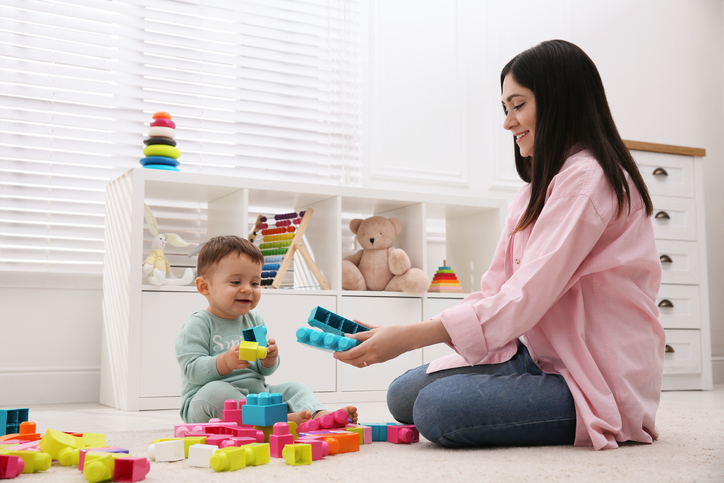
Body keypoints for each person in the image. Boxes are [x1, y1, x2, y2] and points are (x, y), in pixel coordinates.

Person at [335, 39, 664, 451]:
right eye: (505, 109)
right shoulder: (532, 194)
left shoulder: (589, 181)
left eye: (518, 105)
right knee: (402, 396)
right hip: (540, 354)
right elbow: (497, 290)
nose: (508, 123)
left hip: (594, 374)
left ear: (559, 101)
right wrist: (405, 332)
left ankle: (593, 410)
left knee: (436, 410)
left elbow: (526, 297)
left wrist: (413, 336)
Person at [176, 234, 358, 425]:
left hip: (258, 394)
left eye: (255, 283)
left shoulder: (253, 319)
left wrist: (269, 360)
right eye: (236, 282)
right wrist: (225, 362)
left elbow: (263, 371)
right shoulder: (198, 324)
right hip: (206, 401)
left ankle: (318, 415)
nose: (248, 289)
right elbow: (191, 370)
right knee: (215, 392)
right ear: (204, 287)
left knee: (295, 388)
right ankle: (277, 420)